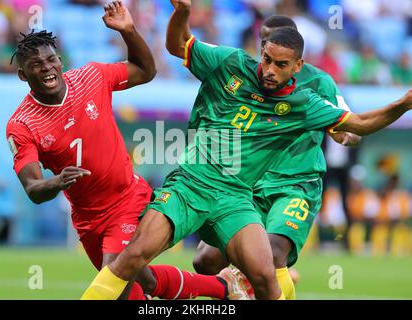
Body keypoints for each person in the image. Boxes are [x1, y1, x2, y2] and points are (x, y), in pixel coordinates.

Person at [81, 0, 412, 300]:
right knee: (137, 255)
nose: (269, 70)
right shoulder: (231, 63)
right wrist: (182, 13)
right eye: (266, 58)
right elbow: (176, 45)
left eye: (280, 65)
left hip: (237, 197)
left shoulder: (306, 100)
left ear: (297, 66)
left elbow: (361, 123)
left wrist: (403, 102)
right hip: (191, 185)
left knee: (266, 274)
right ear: (260, 47)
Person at [6, 1, 249, 301]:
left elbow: (146, 71)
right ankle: (225, 287)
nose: (47, 68)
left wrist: (129, 32)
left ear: (60, 61)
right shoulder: (22, 124)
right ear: (22, 75)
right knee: (142, 281)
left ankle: (225, 288)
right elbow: (32, 187)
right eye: (36, 65)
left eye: (51, 60)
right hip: (87, 218)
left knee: (117, 285)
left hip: (126, 199)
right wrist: (56, 182)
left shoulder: (90, 78)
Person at [192, 15, 361, 299]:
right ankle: (252, 283)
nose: (268, 60)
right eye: (263, 46)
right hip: (250, 186)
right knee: (205, 261)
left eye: (279, 51)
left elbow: (348, 125)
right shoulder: (249, 77)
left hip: (296, 182)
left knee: (272, 252)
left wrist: (347, 134)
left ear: (294, 53)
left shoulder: (319, 82)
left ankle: (268, 280)